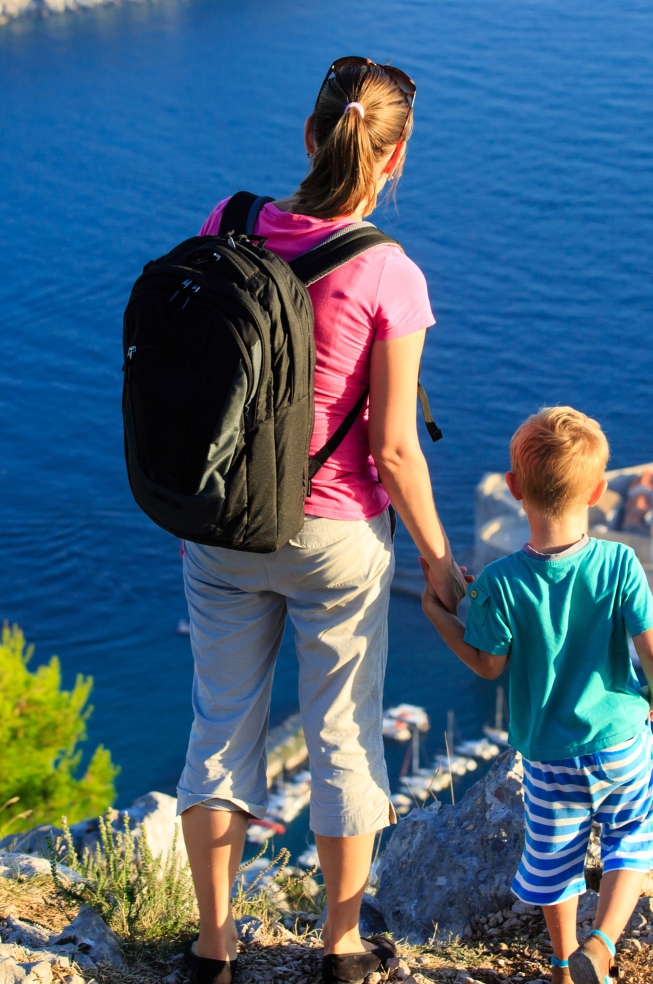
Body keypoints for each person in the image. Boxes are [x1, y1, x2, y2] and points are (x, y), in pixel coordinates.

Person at [176, 57, 467, 984]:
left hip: (220, 524)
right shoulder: (391, 273)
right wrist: (438, 559)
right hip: (336, 537)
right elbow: (393, 450)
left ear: (309, 135)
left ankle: (213, 950)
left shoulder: (225, 224)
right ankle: (340, 949)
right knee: (344, 735)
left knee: (220, 732)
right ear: (396, 158)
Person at [418, 407, 653, 984]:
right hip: (621, 741)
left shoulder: (499, 581)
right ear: (599, 491)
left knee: (555, 862)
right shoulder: (618, 562)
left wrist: (439, 613)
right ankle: (603, 944)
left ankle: (562, 966)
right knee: (634, 838)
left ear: (513, 489)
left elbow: (488, 665)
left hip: (549, 756)